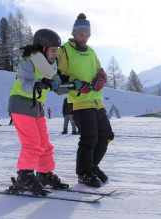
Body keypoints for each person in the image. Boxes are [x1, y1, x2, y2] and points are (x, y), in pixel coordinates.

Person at [8, 28, 69, 195]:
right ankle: (25, 176)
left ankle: (44, 173)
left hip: (37, 108)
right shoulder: (28, 61)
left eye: (57, 51)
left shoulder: (51, 67)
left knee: (44, 144)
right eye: (52, 50)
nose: (55, 54)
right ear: (43, 48)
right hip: (21, 104)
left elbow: (59, 89)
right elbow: (26, 84)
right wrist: (41, 83)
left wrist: (75, 85)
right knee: (32, 144)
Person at [58, 13, 114, 187]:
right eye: (81, 34)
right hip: (80, 102)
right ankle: (83, 173)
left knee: (106, 136)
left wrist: (101, 79)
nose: (84, 38)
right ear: (74, 34)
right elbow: (59, 77)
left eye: (87, 35)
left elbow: (100, 70)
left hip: (97, 101)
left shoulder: (91, 51)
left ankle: (91, 166)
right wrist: (75, 84)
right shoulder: (65, 50)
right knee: (89, 138)